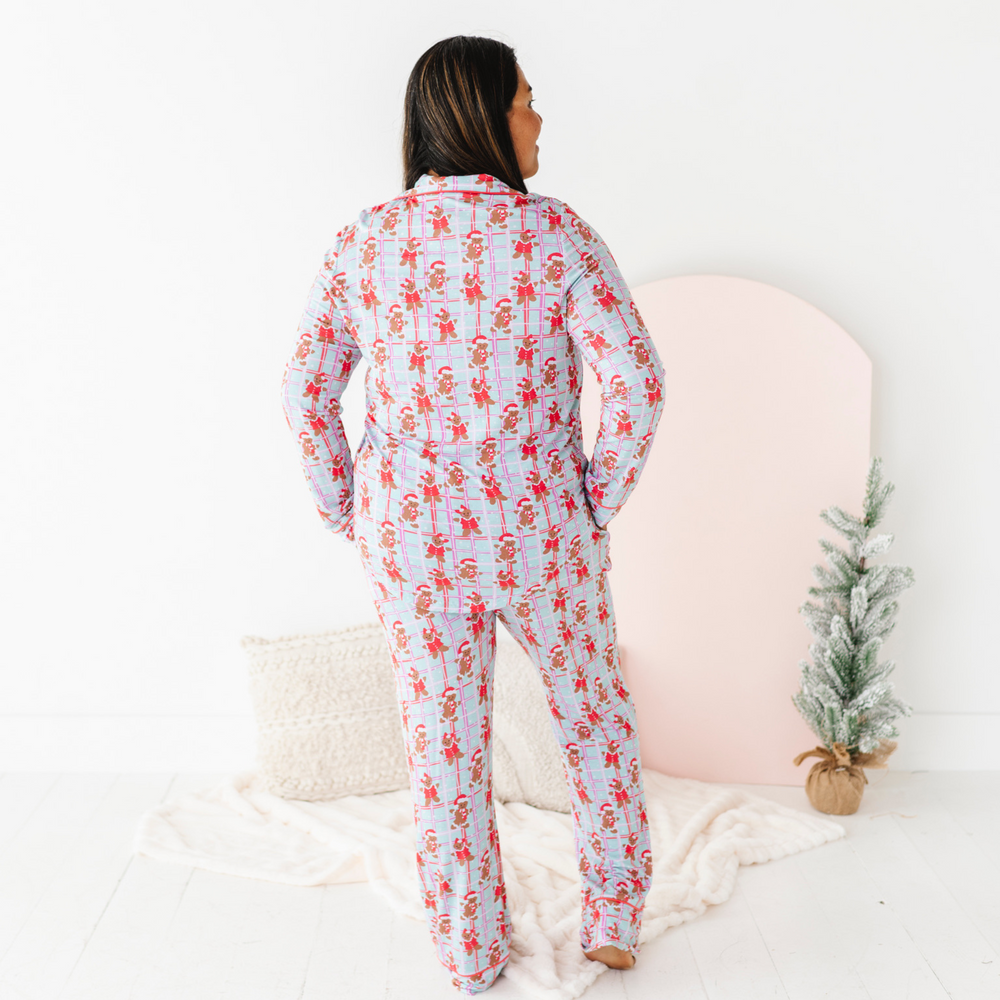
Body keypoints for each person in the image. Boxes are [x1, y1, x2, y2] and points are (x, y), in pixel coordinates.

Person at [281, 34, 666, 996]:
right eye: (527, 100)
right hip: (546, 534)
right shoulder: (558, 235)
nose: (540, 119)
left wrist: (346, 505)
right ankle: (613, 923)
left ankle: (470, 950)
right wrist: (591, 497)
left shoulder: (367, 240)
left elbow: (305, 390)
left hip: (414, 542)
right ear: (481, 114)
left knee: (442, 743)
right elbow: (639, 382)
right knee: (596, 723)